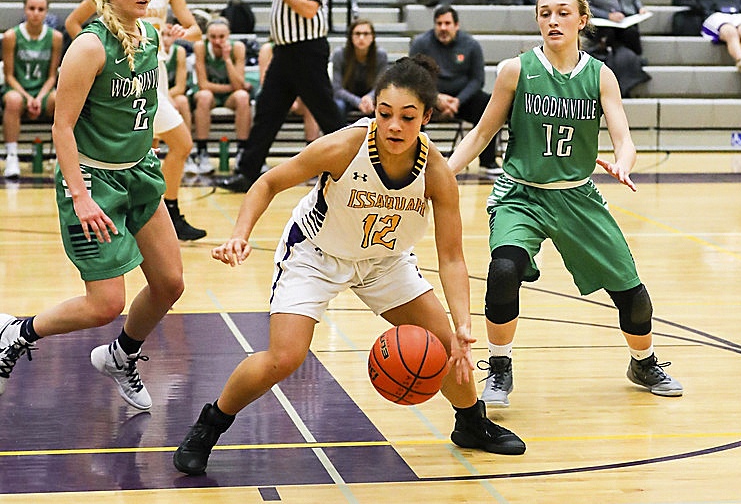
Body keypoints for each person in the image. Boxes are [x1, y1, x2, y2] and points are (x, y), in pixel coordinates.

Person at [172, 55, 526, 476]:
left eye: (407, 117)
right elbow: (268, 181)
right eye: (385, 113)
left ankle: (471, 423)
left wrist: (464, 325)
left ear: (427, 117)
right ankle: (210, 425)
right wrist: (239, 233)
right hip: (316, 255)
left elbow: (451, 257)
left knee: (448, 344)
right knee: (284, 357)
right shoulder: (344, 147)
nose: (394, 125)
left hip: (384, 260)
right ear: (373, 110)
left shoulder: (436, 172)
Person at [447, 0, 683, 408]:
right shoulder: (515, 71)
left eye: (562, 13)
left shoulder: (600, 75)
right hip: (521, 194)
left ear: (582, 20)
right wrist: (443, 175)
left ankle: (642, 361)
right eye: (544, 14)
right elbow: (483, 133)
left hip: (577, 196)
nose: (552, 21)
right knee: (503, 271)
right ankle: (499, 366)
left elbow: (623, 138)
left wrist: (623, 162)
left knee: (633, 294)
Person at [0, 0, 184, 409]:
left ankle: (121, 355)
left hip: (138, 174)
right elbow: (61, 127)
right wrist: (81, 196)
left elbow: (137, 108)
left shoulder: (149, 37)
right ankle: (15, 333)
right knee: (105, 303)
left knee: (169, 283)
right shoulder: (88, 45)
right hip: (92, 181)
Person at [66, 0, 206, 241]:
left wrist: (179, 34)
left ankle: (158, 210)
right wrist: (93, 64)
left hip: (153, 72)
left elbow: (194, 29)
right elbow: (74, 22)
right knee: (163, 144)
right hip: (123, 77)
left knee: (156, 148)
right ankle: (160, 210)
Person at [218, 0, 346, 193]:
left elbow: (310, 8)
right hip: (285, 52)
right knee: (267, 110)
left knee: (325, 111)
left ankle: (354, 162)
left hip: (307, 50)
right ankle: (247, 172)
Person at [409, 5, 500, 174]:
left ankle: (488, 162)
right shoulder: (421, 43)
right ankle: (415, 160)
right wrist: (436, 98)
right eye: (439, 23)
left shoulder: (471, 45)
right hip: (429, 100)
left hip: (462, 101)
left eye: (447, 23)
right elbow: (413, 77)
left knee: (486, 103)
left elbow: (477, 80)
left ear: (456, 25)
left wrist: (458, 101)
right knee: (412, 103)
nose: (443, 28)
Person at [2, 0, 63, 179]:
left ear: (46, 12)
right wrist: (28, 98)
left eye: (40, 9)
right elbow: (9, 76)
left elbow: (52, 76)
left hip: (43, 90)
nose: (36, 13)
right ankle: (12, 157)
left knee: (60, 99)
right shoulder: (11, 36)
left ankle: (63, 158)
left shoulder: (56, 37)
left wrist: (39, 97)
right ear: (25, 10)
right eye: (31, 8)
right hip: (18, 89)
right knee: (12, 100)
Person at [191, 17, 252, 174]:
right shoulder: (201, 47)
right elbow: (203, 84)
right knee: (204, 96)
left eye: (221, 37)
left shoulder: (237, 47)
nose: (217, 41)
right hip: (210, 96)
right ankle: (202, 152)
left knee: (242, 97)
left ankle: (242, 152)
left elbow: (239, 86)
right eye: (213, 37)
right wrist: (231, 86)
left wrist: (227, 59)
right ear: (207, 36)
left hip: (229, 98)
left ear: (229, 35)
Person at [257, 41, 321, 144]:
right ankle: (256, 151)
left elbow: (308, 81)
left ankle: (312, 147)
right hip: (273, 94)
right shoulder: (268, 48)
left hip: (298, 96)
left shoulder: (305, 48)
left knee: (311, 102)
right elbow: (264, 82)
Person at [331, 18, 388, 119]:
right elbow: (337, 89)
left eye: (366, 34)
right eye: (357, 34)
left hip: (371, 99)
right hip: (346, 98)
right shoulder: (339, 54)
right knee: (337, 106)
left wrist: (369, 97)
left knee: (384, 107)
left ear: (372, 37)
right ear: (351, 37)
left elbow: (380, 86)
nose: (361, 38)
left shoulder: (380, 55)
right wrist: (358, 102)